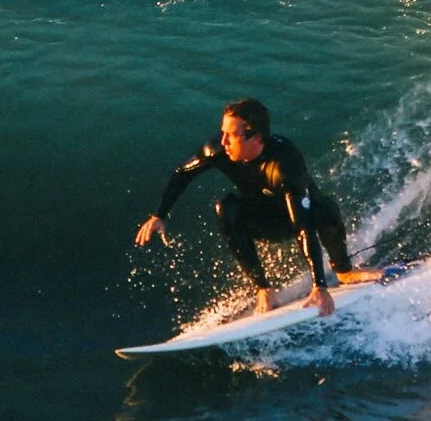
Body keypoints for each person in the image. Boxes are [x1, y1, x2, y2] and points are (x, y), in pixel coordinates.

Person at [135, 99, 383, 316]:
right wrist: (159, 214)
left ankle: (343, 271)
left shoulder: (284, 163)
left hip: (298, 217)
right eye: (223, 132)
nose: (223, 141)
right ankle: (264, 288)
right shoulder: (218, 149)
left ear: (254, 136)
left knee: (325, 208)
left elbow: (303, 225)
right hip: (264, 220)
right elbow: (182, 173)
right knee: (226, 207)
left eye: (230, 135)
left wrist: (320, 285)